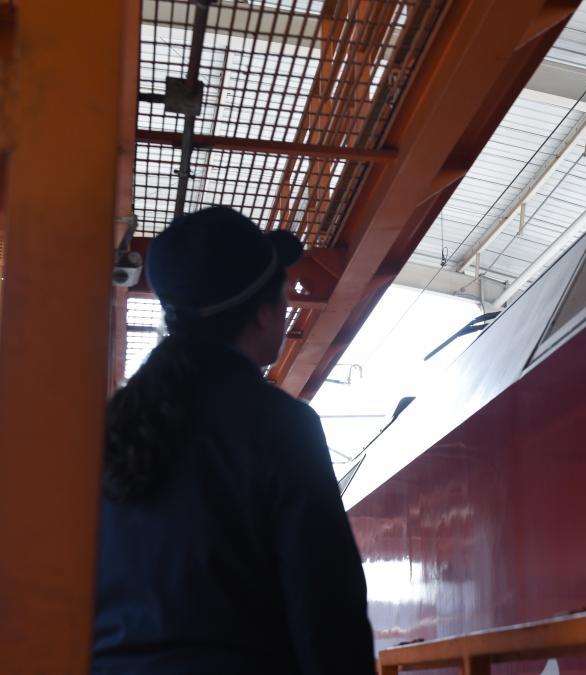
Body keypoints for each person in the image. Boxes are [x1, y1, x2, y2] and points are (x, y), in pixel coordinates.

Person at [92, 206, 375, 674]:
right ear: (262, 313)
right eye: (284, 295)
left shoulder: (114, 425)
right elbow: (327, 608)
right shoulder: (281, 425)